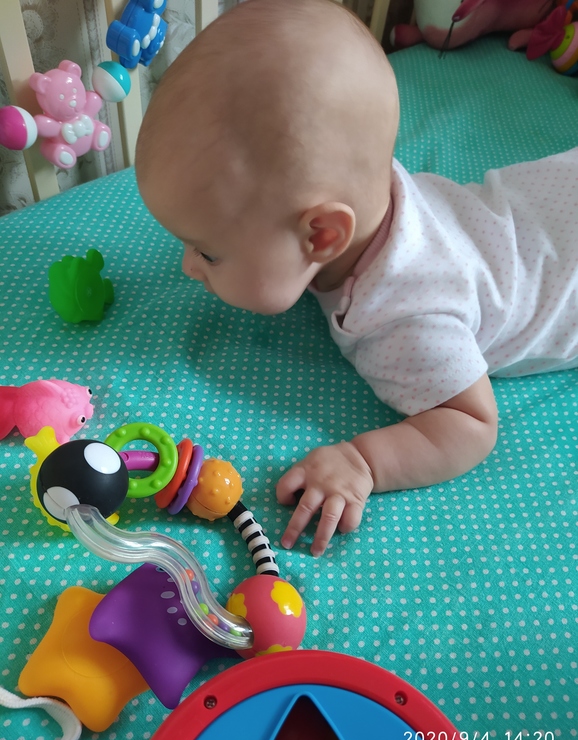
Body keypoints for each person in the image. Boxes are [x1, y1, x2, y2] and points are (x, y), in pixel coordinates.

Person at [135, 0, 578, 557]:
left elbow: (472, 422)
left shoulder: (409, 317)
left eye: (206, 251)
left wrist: (364, 460)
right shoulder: (364, 192)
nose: (186, 266)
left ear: (321, 236)